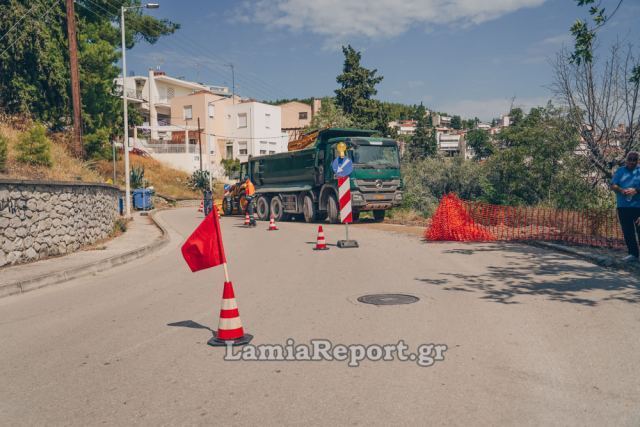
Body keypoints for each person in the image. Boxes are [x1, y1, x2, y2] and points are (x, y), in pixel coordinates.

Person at [611, 151, 640, 261]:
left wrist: (635, 190)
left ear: (638, 161)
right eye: (630, 159)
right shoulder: (620, 171)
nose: (632, 162)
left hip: (638, 207)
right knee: (628, 231)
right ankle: (633, 254)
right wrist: (621, 190)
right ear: (626, 160)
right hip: (623, 207)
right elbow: (613, 185)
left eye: (635, 159)